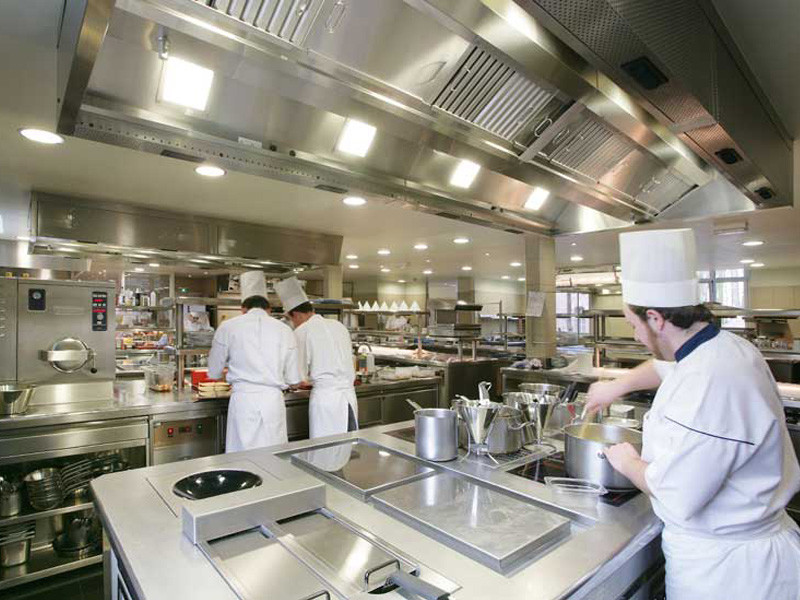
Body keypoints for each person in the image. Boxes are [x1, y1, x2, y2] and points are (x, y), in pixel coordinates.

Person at [585, 228, 800, 600]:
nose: (635, 337)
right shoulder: (721, 347)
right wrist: (616, 385)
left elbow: (679, 494)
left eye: (634, 325)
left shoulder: (711, 381)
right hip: (733, 554)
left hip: (730, 573)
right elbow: (664, 367)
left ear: (656, 319)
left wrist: (627, 461)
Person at [208, 271, 300, 452]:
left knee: (242, 456)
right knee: (274, 455)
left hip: (243, 400)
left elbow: (214, 372)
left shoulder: (228, 327)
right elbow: (293, 379)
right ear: (269, 309)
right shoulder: (284, 330)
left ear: (243, 308)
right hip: (272, 401)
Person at [275, 277, 358, 438]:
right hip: (349, 398)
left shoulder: (302, 332)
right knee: (347, 445)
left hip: (326, 402)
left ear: (296, 314)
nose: (292, 323)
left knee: (324, 448)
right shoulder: (339, 326)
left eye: (291, 319)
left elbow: (296, 378)